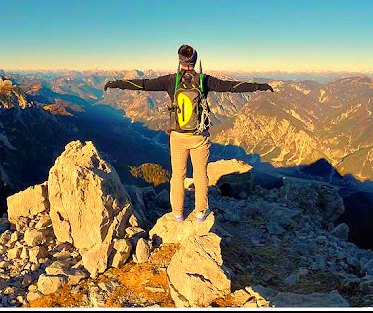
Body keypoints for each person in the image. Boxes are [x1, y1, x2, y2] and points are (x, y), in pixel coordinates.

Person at [103, 44, 273, 222]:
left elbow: (143, 85)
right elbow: (232, 86)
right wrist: (258, 86)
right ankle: (200, 212)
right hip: (199, 137)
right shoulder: (203, 80)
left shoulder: (170, 80)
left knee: (178, 176)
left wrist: (116, 83)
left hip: (177, 137)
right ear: (195, 60)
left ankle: (177, 214)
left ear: (179, 60)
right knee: (200, 175)